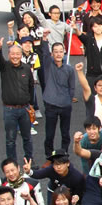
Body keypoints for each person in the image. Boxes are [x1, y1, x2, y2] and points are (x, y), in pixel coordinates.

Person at [0, 36, 35, 162]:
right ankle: (12, 164)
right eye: (12, 54)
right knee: (10, 139)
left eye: (17, 54)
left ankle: (29, 161)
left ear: (21, 55)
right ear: (9, 55)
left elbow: (31, 87)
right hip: (9, 110)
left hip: (25, 109)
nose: (15, 56)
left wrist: (31, 105)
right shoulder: (5, 67)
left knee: (27, 137)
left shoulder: (27, 68)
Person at [37, 34, 76, 162]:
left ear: (64, 52)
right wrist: (44, 39)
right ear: (52, 54)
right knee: (50, 133)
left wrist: (68, 99)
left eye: (61, 51)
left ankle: (64, 153)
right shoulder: (48, 65)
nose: (58, 54)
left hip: (65, 105)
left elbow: (72, 87)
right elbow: (44, 54)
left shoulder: (69, 69)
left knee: (65, 132)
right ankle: (49, 155)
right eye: (56, 52)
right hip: (51, 104)